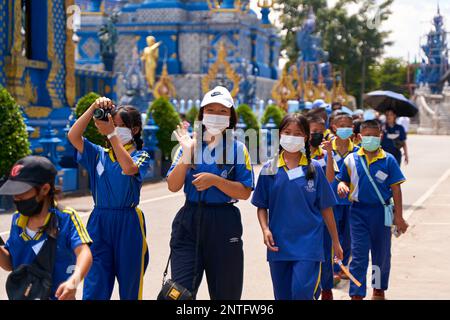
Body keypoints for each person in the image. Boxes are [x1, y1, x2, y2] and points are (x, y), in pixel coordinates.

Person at [166, 86, 254, 300]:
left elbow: (244, 192)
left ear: (231, 118)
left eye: (223, 112)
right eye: (211, 110)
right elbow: (173, 185)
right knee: (179, 294)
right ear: (202, 114)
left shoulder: (238, 149)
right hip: (190, 219)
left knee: (227, 295)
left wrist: (215, 181)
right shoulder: (188, 145)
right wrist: (187, 154)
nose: (216, 116)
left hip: (224, 222)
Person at [252, 113, 343, 300]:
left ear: (306, 138)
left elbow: (326, 207)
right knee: (282, 296)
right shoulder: (269, 168)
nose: (292, 137)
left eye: (298, 133)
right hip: (278, 245)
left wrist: (335, 241)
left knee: (302, 294)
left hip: (309, 245)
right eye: (287, 132)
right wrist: (265, 229)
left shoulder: (315, 168)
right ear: (279, 135)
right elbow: (261, 204)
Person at [68, 97, 150, 300]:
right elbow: (73, 135)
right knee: (95, 284)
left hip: (128, 223)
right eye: (114, 123)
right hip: (99, 222)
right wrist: (93, 107)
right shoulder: (98, 154)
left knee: (130, 286)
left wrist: (112, 132)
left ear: (135, 130)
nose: (117, 128)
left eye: (122, 126)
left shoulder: (141, 155)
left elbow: (129, 168)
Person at [0, 156, 93, 300]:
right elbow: (9, 264)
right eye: (14, 193)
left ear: (44, 189)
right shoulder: (17, 220)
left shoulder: (66, 218)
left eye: (21, 192)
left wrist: (73, 282)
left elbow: (84, 253)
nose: (16, 198)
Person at [336, 119, 409, 300]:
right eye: (366, 136)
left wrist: (399, 217)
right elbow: (342, 179)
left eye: (374, 136)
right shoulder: (351, 159)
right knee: (359, 255)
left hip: (381, 213)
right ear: (360, 137)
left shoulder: (388, 160)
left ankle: (378, 289)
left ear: (380, 136)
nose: (370, 139)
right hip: (358, 213)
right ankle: (356, 293)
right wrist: (342, 186)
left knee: (380, 254)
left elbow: (396, 189)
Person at [308, 116, 340, 300]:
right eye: (313, 132)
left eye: (320, 131)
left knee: (325, 256)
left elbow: (329, 180)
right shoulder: (298, 154)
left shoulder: (325, 154)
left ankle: (326, 290)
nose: (317, 135)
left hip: (322, 213)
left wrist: (328, 154)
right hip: (304, 213)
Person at [329, 112, 360, 291]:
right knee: (335, 236)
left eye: (348, 125)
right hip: (331, 200)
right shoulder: (327, 149)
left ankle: (342, 267)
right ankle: (334, 268)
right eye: (341, 124)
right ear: (333, 127)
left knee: (348, 237)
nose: (345, 128)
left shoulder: (357, 151)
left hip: (350, 202)